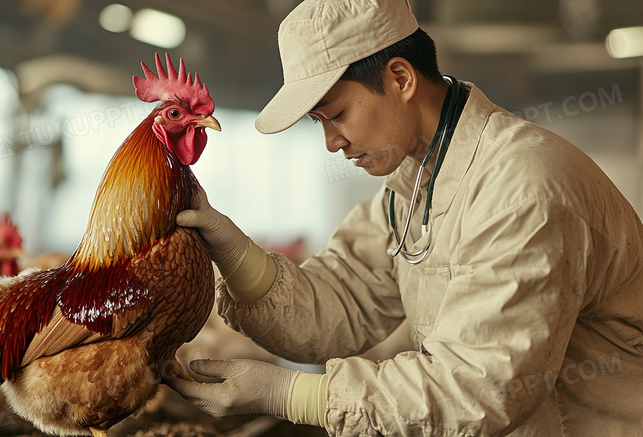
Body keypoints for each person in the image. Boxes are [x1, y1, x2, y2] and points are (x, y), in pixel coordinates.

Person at [168, 0, 643, 435]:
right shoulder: (415, 182)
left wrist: (287, 393)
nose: (332, 142)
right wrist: (233, 252)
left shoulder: (524, 189)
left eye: (335, 115)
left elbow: (477, 390)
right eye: (319, 123)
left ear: (400, 78)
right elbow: (337, 307)